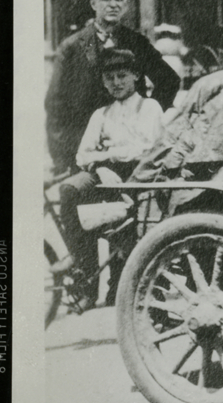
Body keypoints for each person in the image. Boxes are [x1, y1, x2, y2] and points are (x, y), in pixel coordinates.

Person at [57, 48, 168, 305]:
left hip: (139, 175)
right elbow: (82, 155)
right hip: (103, 174)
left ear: (136, 76)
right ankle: (85, 276)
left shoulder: (149, 108)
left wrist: (108, 155)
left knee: (124, 221)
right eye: (110, 78)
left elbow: (148, 147)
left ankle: (121, 286)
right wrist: (100, 167)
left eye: (122, 76)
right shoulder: (102, 114)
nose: (116, 83)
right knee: (70, 191)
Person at [46, 0, 181, 177]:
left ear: (126, 6)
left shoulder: (137, 43)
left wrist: (144, 114)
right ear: (93, 4)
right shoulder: (71, 47)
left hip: (132, 156)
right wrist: (63, 158)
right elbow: (55, 106)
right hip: (86, 154)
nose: (113, 4)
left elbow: (169, 80)